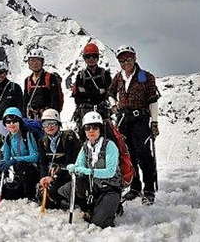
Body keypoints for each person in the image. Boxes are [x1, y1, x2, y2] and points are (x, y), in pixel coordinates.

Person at [108, 45, 160, 205]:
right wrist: (114, 104)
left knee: (144, 154)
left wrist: (155, 122)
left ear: (135, 58)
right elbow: (110, 93)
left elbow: (152, 100)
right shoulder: (118, 77)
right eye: (122, 60)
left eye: (128, 58)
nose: (125, 62)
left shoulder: (145, 76)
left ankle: (149, 189)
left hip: (141, 119)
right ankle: (135, 187)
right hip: (124, 120)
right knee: (128, 155)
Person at [58, 111, 121, 228]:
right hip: (94, 188)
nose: (91, 130)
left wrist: (89, 172)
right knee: (65, 190)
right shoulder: (85, 147)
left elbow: (110, 172)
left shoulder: (110, 146)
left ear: (100, 129)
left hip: (109, 188)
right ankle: (91, 207)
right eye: (88, 128)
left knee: (99, 224)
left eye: (95, 127)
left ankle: (113, 206)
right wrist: (73, 168)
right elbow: (79, 165)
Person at [0, 107, 39, 200]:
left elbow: (35, 156)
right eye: (8, 122)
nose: (11, 124)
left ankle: (31, 194)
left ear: (19, 122)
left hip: (31, 172)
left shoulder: (27, 134)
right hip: (19, 174)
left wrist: (15, 159)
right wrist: (2, 163)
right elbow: (6, 157)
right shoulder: (8, 138)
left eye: (14, 121)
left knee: (22, 165)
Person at [37, 109, 81, 209]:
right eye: (45, 124)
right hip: (51, 175)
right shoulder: (42, 141)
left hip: (67, 174)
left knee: (54, 191)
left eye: (52, 123)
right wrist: (43, 177)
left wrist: (55, 176)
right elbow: (43, 162)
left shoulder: (68, 139)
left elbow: (72, 162)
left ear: (58, 124)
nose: (49, 127)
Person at [72, 42, 112, 130]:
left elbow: (110, 93)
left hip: (102, 111)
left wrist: (87, 94)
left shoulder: (105, 75)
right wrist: (99, 93)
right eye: (88, 56)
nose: (91, 59)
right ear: (84, 59)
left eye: (94, 56)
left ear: (98, 58)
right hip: (85, 111)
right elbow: (78, 97)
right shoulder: (81, 76)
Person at [23, 48, 63, 120]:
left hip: (48, 116)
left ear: (42, 62)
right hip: (32, 116)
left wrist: (54, 116)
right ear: (28, 63)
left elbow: (57, 99)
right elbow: (25, 100)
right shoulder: (28, 80)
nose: (35, 63)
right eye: (32, 60)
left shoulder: (50, 78)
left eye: (38, 60)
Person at [0, 61, 23, 137]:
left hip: (13, 123)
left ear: (6, 73)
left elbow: (21, 106)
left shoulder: (15, 87)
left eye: (1, 72)